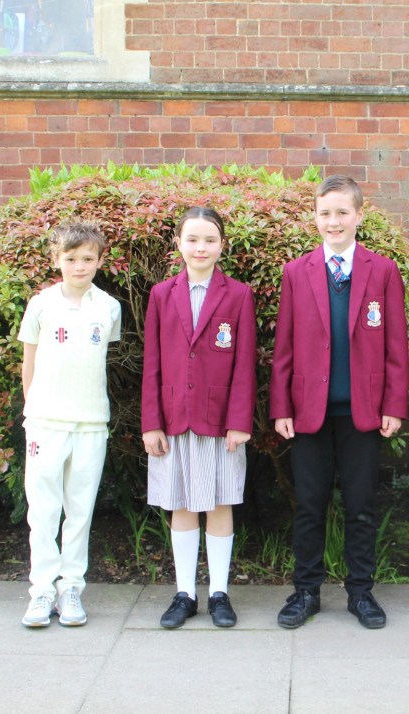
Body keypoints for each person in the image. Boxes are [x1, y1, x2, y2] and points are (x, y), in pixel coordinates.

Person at [270, 175, 409, 630]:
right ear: (315, 217)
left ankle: (361, 592)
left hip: (363, 411)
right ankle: (306, 590)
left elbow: (395, 345)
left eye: (342, 212)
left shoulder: (382, 271)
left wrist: (394, 404)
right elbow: (285, 345)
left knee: (361, 504)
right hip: (309, 410)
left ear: (359, 216)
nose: (334, 221)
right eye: (325, 213)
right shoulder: (297, 272)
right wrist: (281, 408)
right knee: (309, 504)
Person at [141, 207, 257, 629]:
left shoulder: (238, 295)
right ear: (179, 244)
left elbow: (244, 363)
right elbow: (152, 361)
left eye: (209, 239)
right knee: (183, 503)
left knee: (220, 501)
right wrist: (151, 422)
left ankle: (220, 592)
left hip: (221, 420)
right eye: (192, 239)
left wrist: (240, 421)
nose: (200, 247)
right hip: (174, 419)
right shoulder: (161, 294)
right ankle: (185, 592)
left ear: (221, 245)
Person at [19, 222, 122, 628]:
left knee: (80, 509)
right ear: (56, 260)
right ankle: (41, 590)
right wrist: (33, 413)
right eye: (71, 258)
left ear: (99, 261)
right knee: (43, 510)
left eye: (87, 259)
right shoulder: (41, 305)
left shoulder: (109, 307)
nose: (79, 266)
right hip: (45, 422)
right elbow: (28, 363)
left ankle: (71, 588)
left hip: (92, 422)